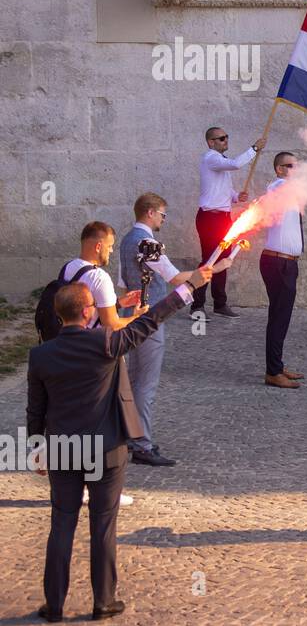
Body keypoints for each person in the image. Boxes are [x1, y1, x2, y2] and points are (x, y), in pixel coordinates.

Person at [27, 266, 212, 623]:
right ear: (87, 312)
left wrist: (37, 447)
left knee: (62, 523)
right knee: (103, 525)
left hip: (63, 450)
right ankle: (103, 601)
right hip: (107, 448)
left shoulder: (42, 356)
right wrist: (189, 286)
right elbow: (152, 320)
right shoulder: (107, 342)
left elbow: (36, 408)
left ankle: (54, 605)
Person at [119, 194, 224, 466]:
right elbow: (175, 278)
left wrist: (215, 267)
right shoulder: (148, 242)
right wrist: (205, 271)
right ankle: (141, 444)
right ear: (151, 213)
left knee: (132, 379)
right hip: (149, 317)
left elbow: (123, 281)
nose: (164, 219)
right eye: (163, 215)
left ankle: (129, 436)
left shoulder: (126, 240)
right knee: (146, 383)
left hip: (129, 315)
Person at [195, 126, 267, 317]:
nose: (225, 140)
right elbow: (236, 164)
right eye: (221, 138)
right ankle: (197, 305)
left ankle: (220, 304)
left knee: (223, 259)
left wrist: (236, 197)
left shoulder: (220, 161)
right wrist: (254, 149)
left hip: (222, 217)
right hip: (210, 218)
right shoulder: (211, 158)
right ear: (211, 142)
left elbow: (221, 189)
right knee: (209, 260)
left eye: (226, 137)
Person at [260, 152, 306, 389]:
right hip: (278, 263)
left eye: (296, 166)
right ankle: (273, 371)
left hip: (286, 263)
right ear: (278, 170)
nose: (294, 170)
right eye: (290, 166)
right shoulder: (278, 187)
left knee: (280, 317)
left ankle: (276, 365)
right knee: (279, 317)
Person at [60, 222, 140, 333]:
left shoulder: (68, 267)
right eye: (110, 246)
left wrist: (118, 303)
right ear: (98, 246)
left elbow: (77, 307)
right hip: (89, 345)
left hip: (66, 340)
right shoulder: (99, 278)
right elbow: (112, 325)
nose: (111, 251)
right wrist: (137, 317)